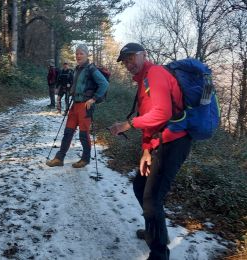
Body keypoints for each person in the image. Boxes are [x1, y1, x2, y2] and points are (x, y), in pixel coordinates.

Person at [109, 42, 192, 260]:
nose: (128, 64)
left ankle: (159, 253)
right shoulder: (142, 81)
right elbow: (150, 120)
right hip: (159, 142)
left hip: (174, 143)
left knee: (152, 198)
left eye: (131, 57)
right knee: (140, 186)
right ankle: (153, 232)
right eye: (125, 60)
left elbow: (162, 114)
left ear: (144, 54)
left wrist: (128, 124)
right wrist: (146, 150)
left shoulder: (154, 74)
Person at [46, 44, 109, 168]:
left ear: (86, 55)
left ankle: (85, 159)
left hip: (85, 106)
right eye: (77, 53)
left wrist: (94, 99)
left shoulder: (91, 69)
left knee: (83, 134)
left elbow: (104, 84)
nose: (78, 56)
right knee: (68, 132)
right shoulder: (77, 69)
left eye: (81, 53)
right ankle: (59, 158)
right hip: (75, 104)